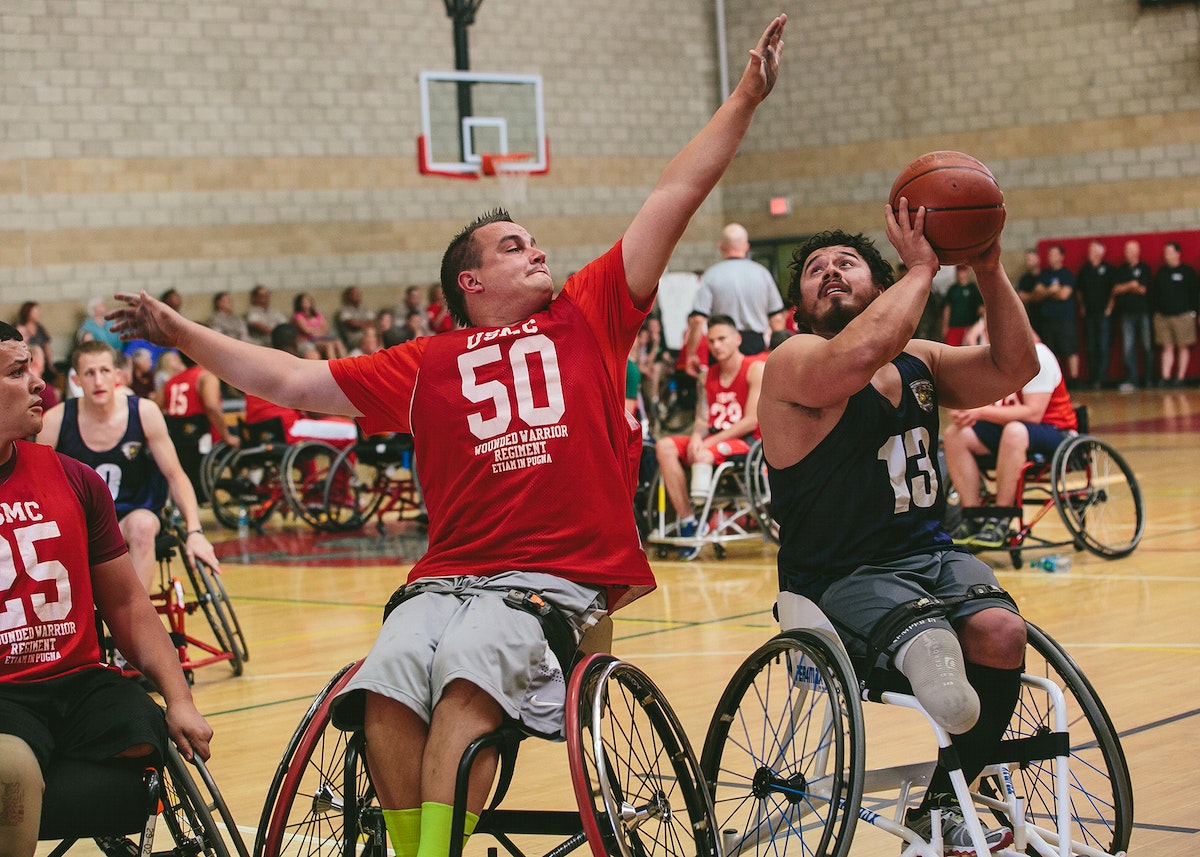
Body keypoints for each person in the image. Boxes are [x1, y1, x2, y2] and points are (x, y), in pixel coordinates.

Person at [108, 16, 785, 857]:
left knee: (465, 672)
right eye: (513, 246)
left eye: (534, 241)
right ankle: (421, 849)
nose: (535, 250)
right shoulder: (426, 361)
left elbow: (674, 195)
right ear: (471, 281)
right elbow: (286, 378)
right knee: (386, 682)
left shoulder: (587, 313)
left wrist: (745, 98)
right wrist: (179, 330)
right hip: (448, 577)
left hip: (553, 577)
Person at [757, 201, 1037, 853]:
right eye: (815, 270)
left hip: (930, 558)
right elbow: (850, 364)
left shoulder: (921, 360)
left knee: (1001, 629)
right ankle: (931, 661)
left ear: (880, 290)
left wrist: (990, 270)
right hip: (836, 577)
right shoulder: (795, 360)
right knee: (934, 647)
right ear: (798, 308)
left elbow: (1013, 367)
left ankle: (946, 795)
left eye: (847, 263)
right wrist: (922, 268)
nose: (829, 271)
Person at [0, 322, 212, 857]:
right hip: (4, 695)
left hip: (78, 685)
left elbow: (127, 604)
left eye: (34, 369)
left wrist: (180, 698)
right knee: (12, 770)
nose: (39, 386)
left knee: (145, 725)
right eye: (17, 372)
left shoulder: (74, 478)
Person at [36, 342, 221, 594]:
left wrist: (195, 531)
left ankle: (135, 619)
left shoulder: (144, 412)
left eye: (104, 371)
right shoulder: (55, 421)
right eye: (89, 373)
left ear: (118, 376)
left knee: (142, 525)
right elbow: (38, 489)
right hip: (82, 526)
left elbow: (175, 475)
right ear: (77, 380)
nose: (98, 381)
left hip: (133, 515)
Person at [942, 337, 1078, 549]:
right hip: (1009, 431)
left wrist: (980, 412)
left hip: (1055, 431)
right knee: (955, 435)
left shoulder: (1038, 356)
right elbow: (977, 401)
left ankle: (1001, 517)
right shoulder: (993, 358)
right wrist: (962, 409)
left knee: (1014, 431)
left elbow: (1033, 413)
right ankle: (972, 517)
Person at [655, 315, 764, 560]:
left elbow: (751, 420)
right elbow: (702, 419)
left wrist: (708, 443)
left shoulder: (754, 369)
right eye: (712, 341)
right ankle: (689, 521)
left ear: (737, 339)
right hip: (711, 440)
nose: (716, 346)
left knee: (703, 453)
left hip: (744, 443)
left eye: (722, 339)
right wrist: (695, 437)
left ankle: (706, 513)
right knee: (664, 446)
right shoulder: (706, 376)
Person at [683, 223, 785, 372]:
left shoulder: (711, 275)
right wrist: (779, 355)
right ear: (746, 246)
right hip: (755, 345)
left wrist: (691, 354)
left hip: (721, 345)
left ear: (721, 247)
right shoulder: (762, 274)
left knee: (724, 392)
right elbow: (777, 319)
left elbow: (698, 319)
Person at [161, 352, 241, 495]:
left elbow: (155, 406)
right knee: (243, 438)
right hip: (204, 438)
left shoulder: (171, 381)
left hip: (177, 439)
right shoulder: (205, 377)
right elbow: (211, 406)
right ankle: (242, 489)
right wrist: (227, 435)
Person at [1151, 241, 1199, 386]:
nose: (1167, 256)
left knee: (1183, 346)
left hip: (1183, 315)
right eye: (1165, 253)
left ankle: (1180, 377)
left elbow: (1195, 294)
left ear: (1178, 253)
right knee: (1167, 347)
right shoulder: (1161, 272)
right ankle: (1165, 377)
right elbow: (1155, 294)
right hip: (1163, 316)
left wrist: (1196, 313)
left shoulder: (1187, 272)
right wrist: (1156, 313)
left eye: (1170, 252)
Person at [1033, 244, 1079, 383]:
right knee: (1051, 352)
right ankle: (1055, 380)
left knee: (1069, 350)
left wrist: (1049, 292)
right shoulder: (1044, 274)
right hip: (1047, 320)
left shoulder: (1066, 274)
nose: (1050, 257)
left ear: (1061, 256)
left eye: (1054, 254)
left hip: (1064, 319)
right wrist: (1051, 291)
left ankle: (1074, 380)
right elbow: (1037, 293)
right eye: (1049, 254)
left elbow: (1064, 295)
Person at [1111, 239, 1153, 390]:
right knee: (1128, 348)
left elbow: (1143, 290)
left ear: (1136, 252)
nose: (1126, 253)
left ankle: (1149, 379)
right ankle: (1132, 379)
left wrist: (1127, 287)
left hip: (1143, 313)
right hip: (1126, 313)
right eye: (1125, 250)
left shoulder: (1144, 268)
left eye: (1129, 250)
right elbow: (1116, 289)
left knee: (1147, 345)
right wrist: (1131, 285)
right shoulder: (1121, 270)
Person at [1076, 240, 1115, 389]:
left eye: (1093, 251)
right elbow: (1079, 291)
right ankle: (1092, 378)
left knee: (1103, 346)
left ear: (1100, 253)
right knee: (1091, 347)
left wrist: (1109, 307)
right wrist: (1082, 306)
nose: (1090, 254)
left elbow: (1114, 290)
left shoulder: (1109, 270)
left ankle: (1102, 377)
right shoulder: (1084, 270)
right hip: (1089, 314)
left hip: (1104, 314)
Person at [292, 293, 346, 359]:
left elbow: (326, 328)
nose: (307, 303)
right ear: (299, 303)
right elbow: (307, 331)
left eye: (308, 301)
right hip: (309, 341)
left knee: (338, 342)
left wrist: (315, 331)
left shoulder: (317, 314)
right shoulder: (298, 316)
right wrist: (319, 330)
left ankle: (345, 364)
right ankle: (333, 366)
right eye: (304, 301)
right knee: (329, 345)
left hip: (322, 338)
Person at [940, 264, 983, 346]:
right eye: (959, 271)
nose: (960, 273)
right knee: (951, 352)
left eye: (963, 271)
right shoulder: (952, 289)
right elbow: (947, 308)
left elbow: (980, 308)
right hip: (953, 327)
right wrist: (945, 326)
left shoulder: (972, 288)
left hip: (968, 327)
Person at [14, 302, 54, 386]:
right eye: (35, 312)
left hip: (40, 361)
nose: (38, 314)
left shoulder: (40, 328)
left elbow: (46, 345)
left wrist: (49, 363)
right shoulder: (20, 328)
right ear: (28, 313)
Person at [336, 286, 376, 353]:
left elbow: (372, 321)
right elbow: (351, 323)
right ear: (348, 296)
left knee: (373, 334)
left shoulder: (364, 309)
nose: (358, 296)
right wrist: (365, 325)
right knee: (370, 337)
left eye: (358, 294)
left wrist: (361, 325)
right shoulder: (345, 311)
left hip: (367, 334)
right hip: (354, 339)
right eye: (355, 294)